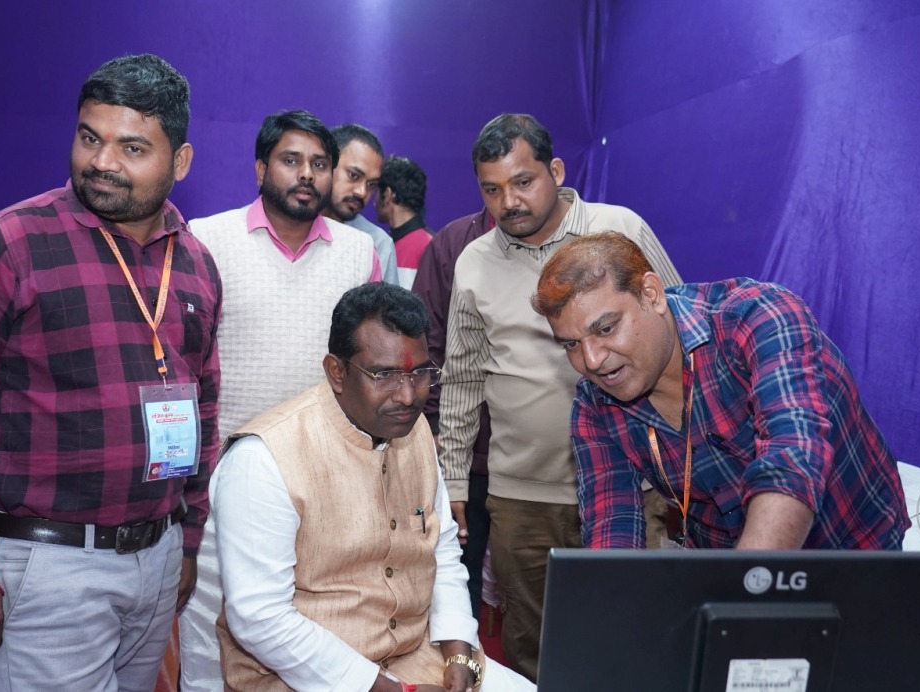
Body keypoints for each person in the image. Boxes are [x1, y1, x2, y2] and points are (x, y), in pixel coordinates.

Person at [0, 54, 221, 692]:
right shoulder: (5, 244)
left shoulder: (195, 263)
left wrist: (185, 542)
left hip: (158, 558)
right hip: (47, 564)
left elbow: (203, 411)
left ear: (180, 161)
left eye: (132, 147)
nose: (102, 162)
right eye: (89, 138)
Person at [437, 113, 682, 680]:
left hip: (635, 481)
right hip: (522, 495)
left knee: (638, 635)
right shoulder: (474, 262)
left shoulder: (620, 229)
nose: (509, 202)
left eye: (523, 182)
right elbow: (462, 379)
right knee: (533, 648)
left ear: (557, 171)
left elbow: (679, 325)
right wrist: (453, 480)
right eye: (492, 190)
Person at [213, 282, 534, 692]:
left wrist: (459, 650)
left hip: (414, 655)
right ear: (337, 372)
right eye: (384, 375)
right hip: (301, 676)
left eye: (420, 373)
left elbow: (441, 549)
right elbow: (260, 618)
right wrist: (392, 689)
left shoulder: (414, 431)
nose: (408, 396)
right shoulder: (263, 459)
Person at [532, 231, 912, 550]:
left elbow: (791, 459)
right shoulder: (594, 405)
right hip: (729, 573)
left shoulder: (757, 317)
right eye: (571, 344)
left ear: (652, 294)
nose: (592, 360)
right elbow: (611, 526)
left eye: (606, 329)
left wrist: (743, 598)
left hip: (853, 550)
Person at [181, 109, 380, 690]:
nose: (306, 175)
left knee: (314, 651)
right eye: (291, 160)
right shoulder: (206, 239)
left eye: (319, 164)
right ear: (261, 168)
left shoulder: (359, 253)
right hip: (222, 486)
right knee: (208, 650)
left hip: (326, 490)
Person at [410, 207, 496, 618]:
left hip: (546, 455)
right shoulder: (453, 243)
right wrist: (432, 423)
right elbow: (424, 340)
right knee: (459, 565)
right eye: (493, 188)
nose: (509, 200)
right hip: (463, 443)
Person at [325, 123, 400, 285]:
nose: (362, 192)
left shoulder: (378, 243)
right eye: (353, 175)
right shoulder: (292, 227)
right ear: (326, 164)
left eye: (371, 184)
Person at [375, 155, 434, 288]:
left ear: (388, 194)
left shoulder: (430, 248)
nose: (373, 202)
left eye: (376, 192)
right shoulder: (431, 244)